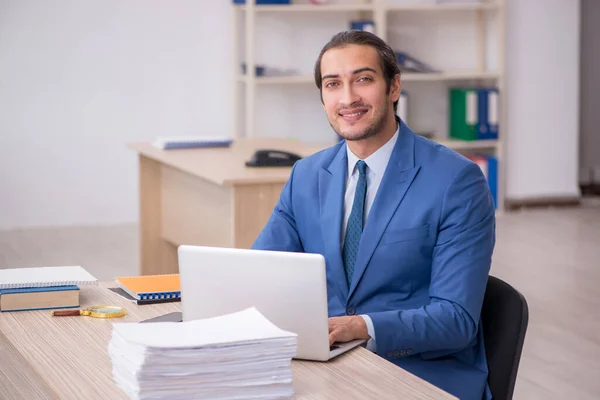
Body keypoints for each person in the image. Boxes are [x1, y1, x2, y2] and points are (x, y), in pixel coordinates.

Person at [251, 30, 495, 400]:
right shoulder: (307, 175)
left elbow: (456, 320)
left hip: (419, 372)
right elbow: (260, 273)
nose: (348, 98)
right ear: (322, 98)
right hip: (326, 362)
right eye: (333, 84)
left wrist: (361, 327)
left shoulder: (456, 180)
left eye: (363, 80)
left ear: (394, 87)